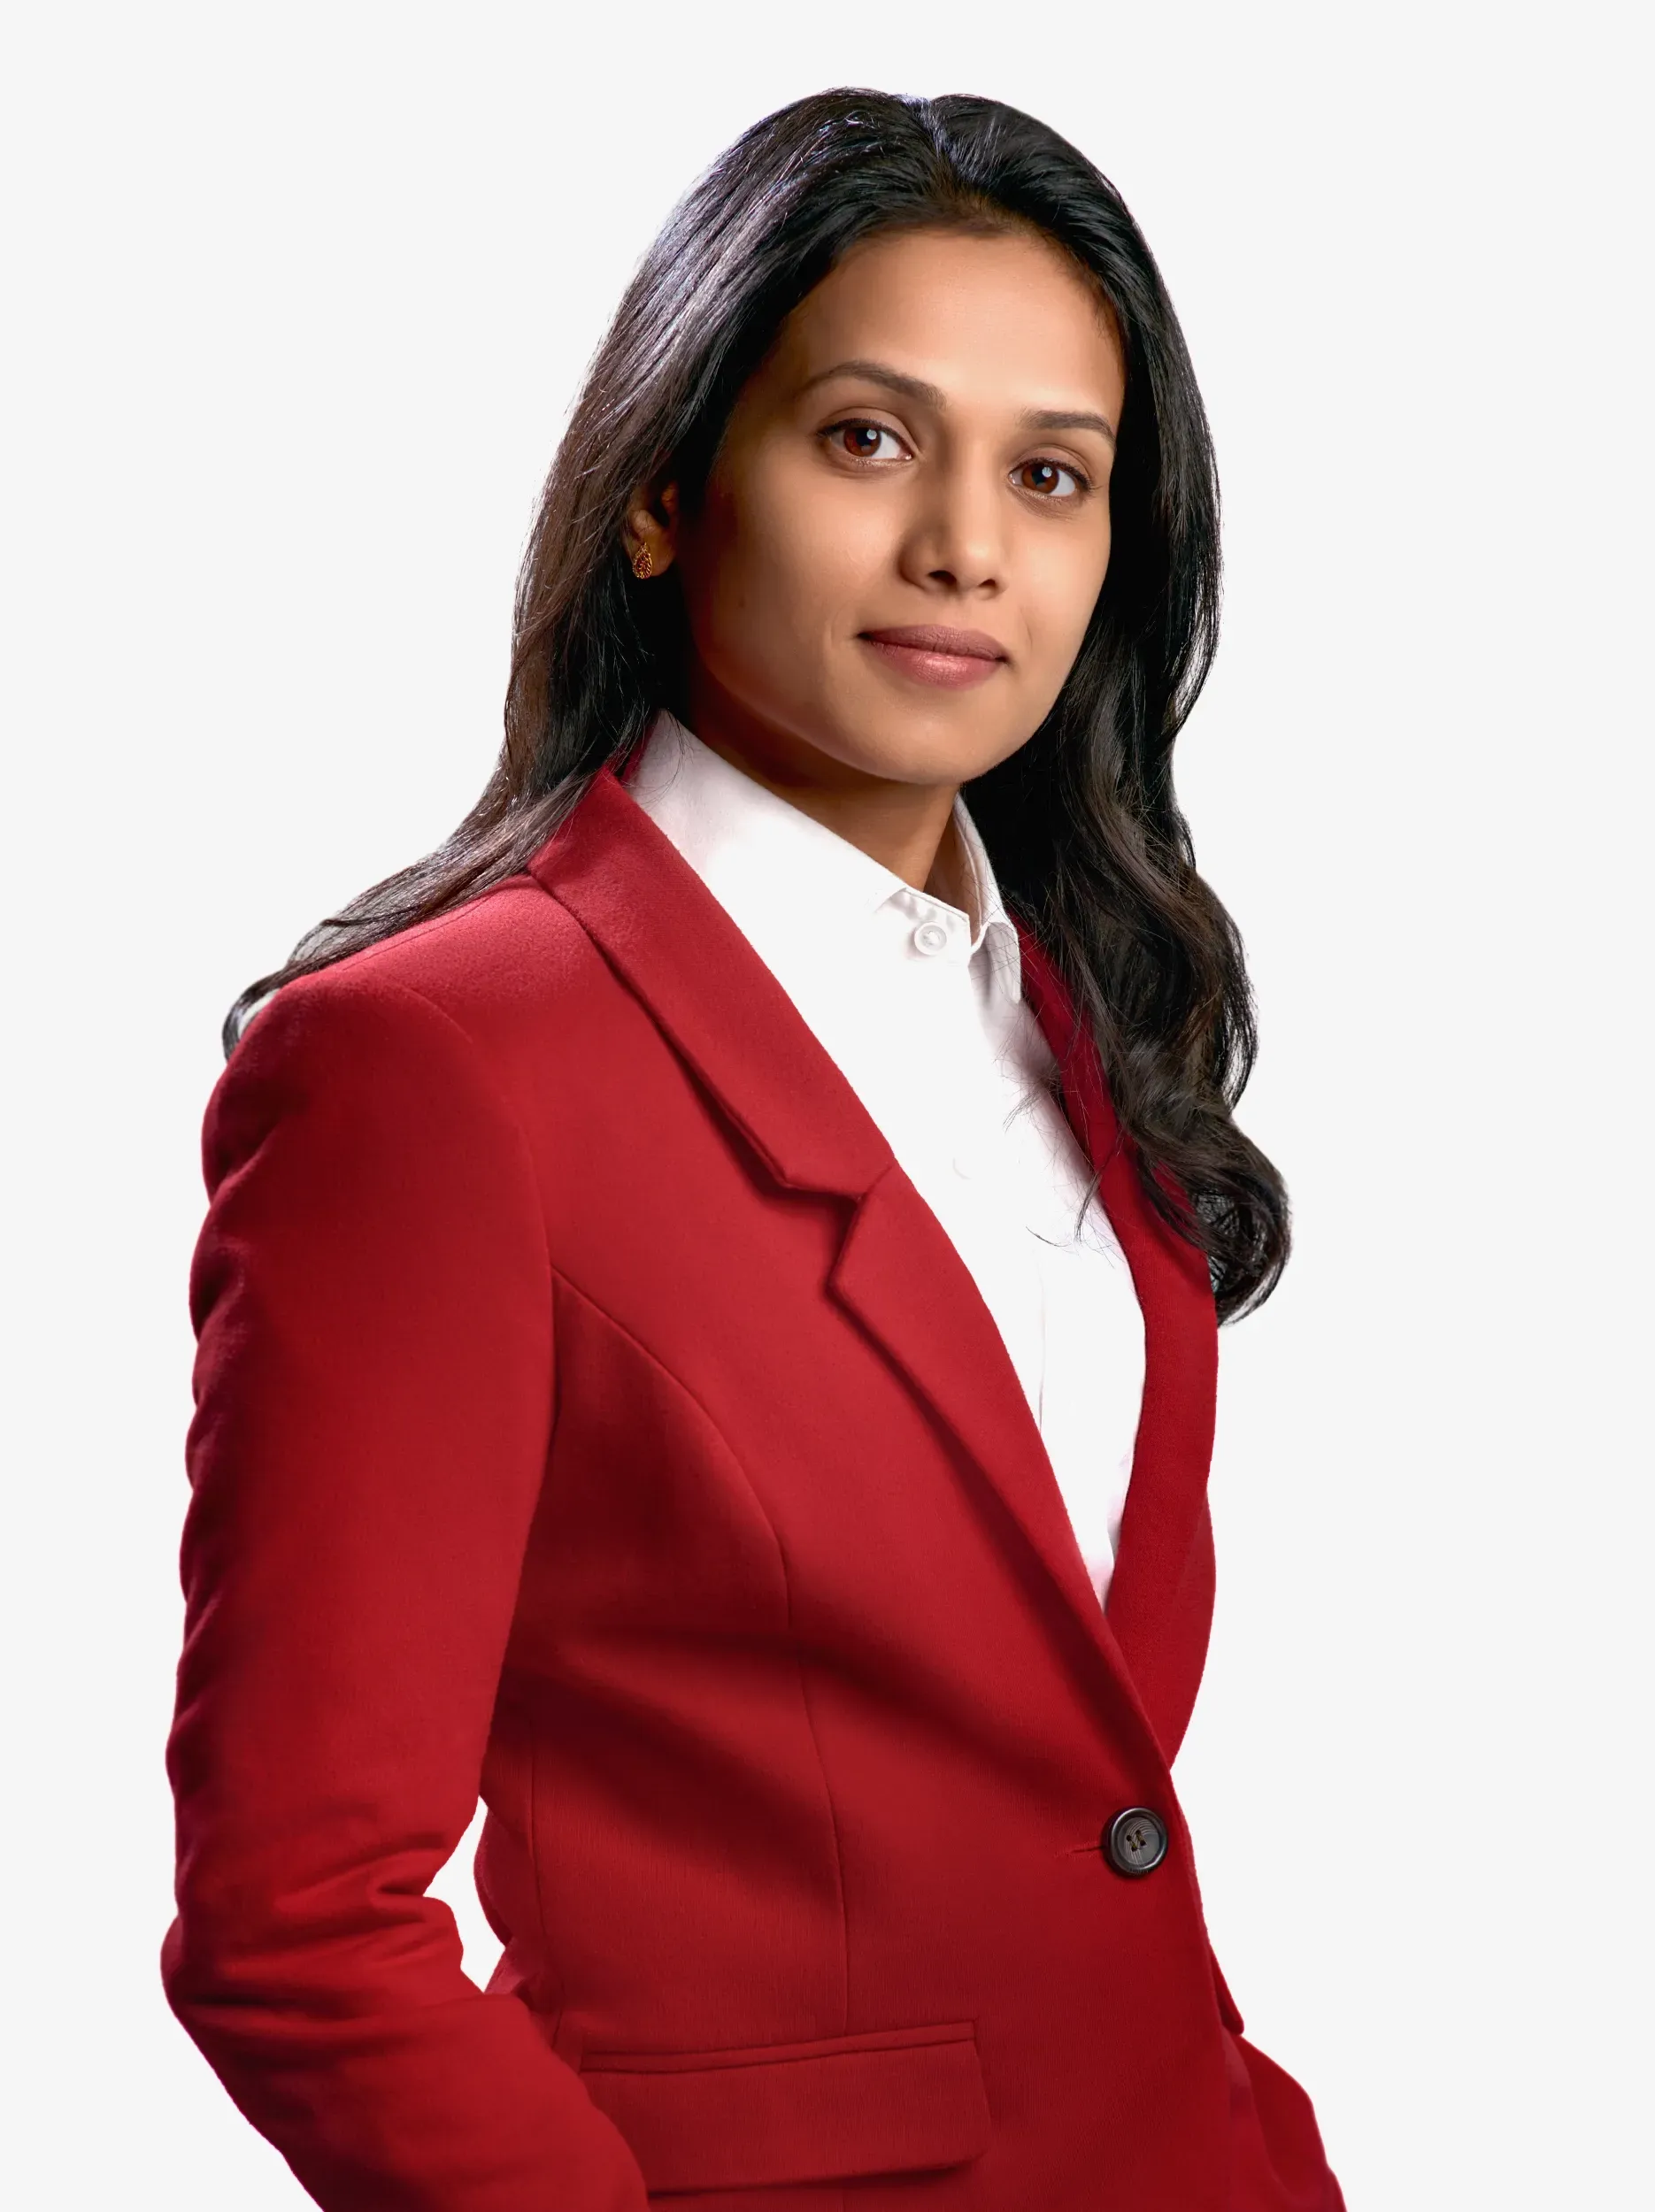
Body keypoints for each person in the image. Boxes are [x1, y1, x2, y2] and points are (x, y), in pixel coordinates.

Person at [162, 85, 1347, 2212]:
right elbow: (297, 1922)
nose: (964, 545)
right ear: (662, 494)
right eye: (867, 438)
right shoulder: (431, 1070)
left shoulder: (1087, 1024)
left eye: (1050, 473)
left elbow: (1069, 1801)